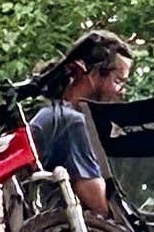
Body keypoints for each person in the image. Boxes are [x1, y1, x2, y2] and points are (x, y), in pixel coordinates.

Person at [23, 28, 134, 216]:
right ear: (91, 73)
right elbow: (96, 201)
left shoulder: (48, 112)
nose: (121, 91)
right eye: (118, 80)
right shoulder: (70, 122)